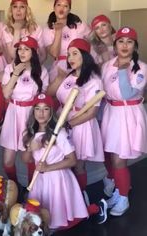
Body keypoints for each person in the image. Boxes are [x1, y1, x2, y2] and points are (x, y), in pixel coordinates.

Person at [22, 93, 107, 230]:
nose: (41, 113)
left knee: (60, 223)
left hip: (58, 180)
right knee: (41, 220)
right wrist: (29, 147)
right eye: (37, 109)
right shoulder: (31, 134)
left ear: (51, 111)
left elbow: (72, 160)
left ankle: (95, 209)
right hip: (40, 182)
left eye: (45, 109)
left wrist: (48, 167)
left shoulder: (59, 133)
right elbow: (25, 159)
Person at [47, 38, 104, 204]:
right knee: (63, 160)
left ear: (85, 56)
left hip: (80, 125)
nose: (70, 58)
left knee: (78, 164)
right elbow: (51, 93)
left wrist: (68, 124)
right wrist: (59, 78)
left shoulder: (93, 80)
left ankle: (80, 198)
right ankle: (67, 198)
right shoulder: (69, 75)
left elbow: (92, 112)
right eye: (68, 54)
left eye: (75, 54)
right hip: (62, 120)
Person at [101, 27, 147, 216]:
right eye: (121, 41)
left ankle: (123, 198)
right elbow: (102, 89)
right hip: (110, 112)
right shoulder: (107, 64)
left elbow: (128, 93)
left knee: (120, 160)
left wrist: (122, 70)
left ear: (135, 46)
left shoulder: (141, 67)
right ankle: (119, 190)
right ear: (115, 44)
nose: (125, 45)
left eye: (129, 42)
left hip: (128, 114)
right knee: (110, 155)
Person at [0, 36, 49, 184]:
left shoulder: (42, 71)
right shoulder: (9, 68)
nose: (22, 52)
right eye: (19, 49)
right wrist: (15, 74)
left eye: (26, 49)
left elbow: (43, 97)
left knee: (30, 157)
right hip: (13, 113)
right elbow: (6, 94)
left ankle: (31, 189)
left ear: (33, 52)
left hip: (31, 115)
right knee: (8, 160)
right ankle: (15, 188)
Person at [0, 0, 47, 130]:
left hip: (32, 68)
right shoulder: (6, 28)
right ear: (11, 10)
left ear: (27, 10)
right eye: (15, 7)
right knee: (2, 77)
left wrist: (34, 66)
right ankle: (1, 115)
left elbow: (43, 55)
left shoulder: (36, 28)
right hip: (14, 68)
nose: (18, 10)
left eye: (22, 7)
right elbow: (14, 56)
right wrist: (17, 30)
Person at [89, 14, 116, 198]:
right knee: (106, 141)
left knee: (118, 143)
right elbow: (98, 72)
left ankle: (120, 178)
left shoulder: (121, 41)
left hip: (119, 101)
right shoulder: (94, 49)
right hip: (103, 98)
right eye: (97, 28)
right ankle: (110, 177)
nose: (102, 30)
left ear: (110, 25)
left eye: (104, 25)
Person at [43, 0, 90, 82]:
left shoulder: (79, 25)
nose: (62, 8)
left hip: (80, 65)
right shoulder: (48, 30)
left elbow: (94, 38)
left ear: (69, 10)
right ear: (54, 8)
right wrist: (58, 31)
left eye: (65, 6)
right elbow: (54, 54)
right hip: (59, 68)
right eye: (59, 5)